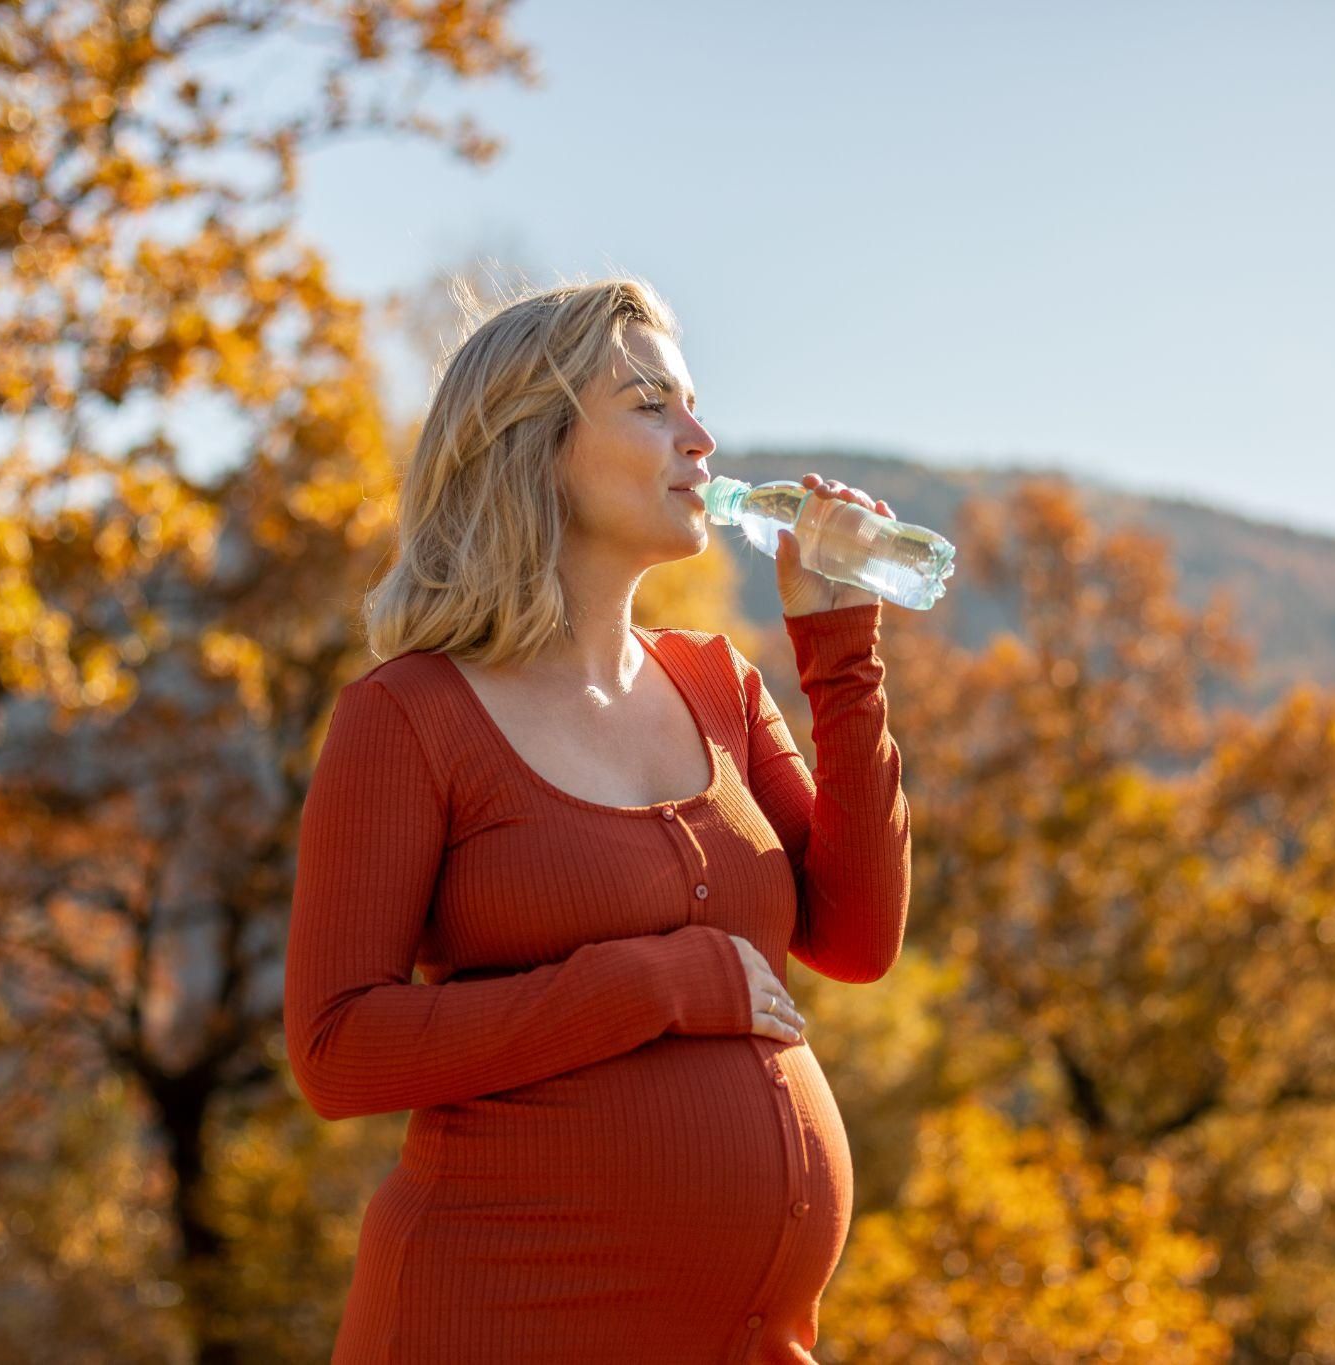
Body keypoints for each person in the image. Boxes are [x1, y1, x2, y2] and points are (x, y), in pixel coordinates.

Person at [282, 275, 913, 1363]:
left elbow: (854, 940)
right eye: (650, 404)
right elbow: (338, 1051)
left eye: (694, 403)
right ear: (533, 444)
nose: (702, 439)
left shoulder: (718, 684)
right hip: (496, 1323)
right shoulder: (407, 718)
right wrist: (650, 986)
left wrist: (839, 650)